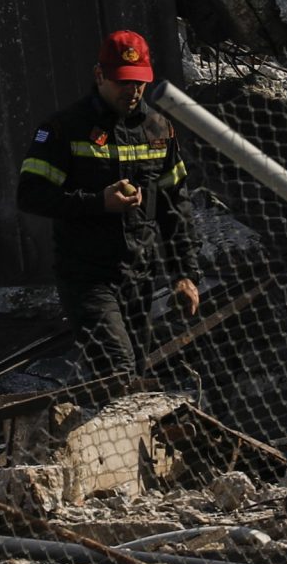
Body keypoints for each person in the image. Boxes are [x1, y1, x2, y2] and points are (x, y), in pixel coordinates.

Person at [16, 30, 202, 384]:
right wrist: (98, 202)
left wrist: (185, 274)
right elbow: (30, 196)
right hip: (87, 277)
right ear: (100, 76)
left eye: (139, 83)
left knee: (136, 372)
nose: (132, 91)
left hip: (139, 275)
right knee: (117, 369)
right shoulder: (64, 130)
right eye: (122, 82)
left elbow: (175, 208)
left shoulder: (158, 130)